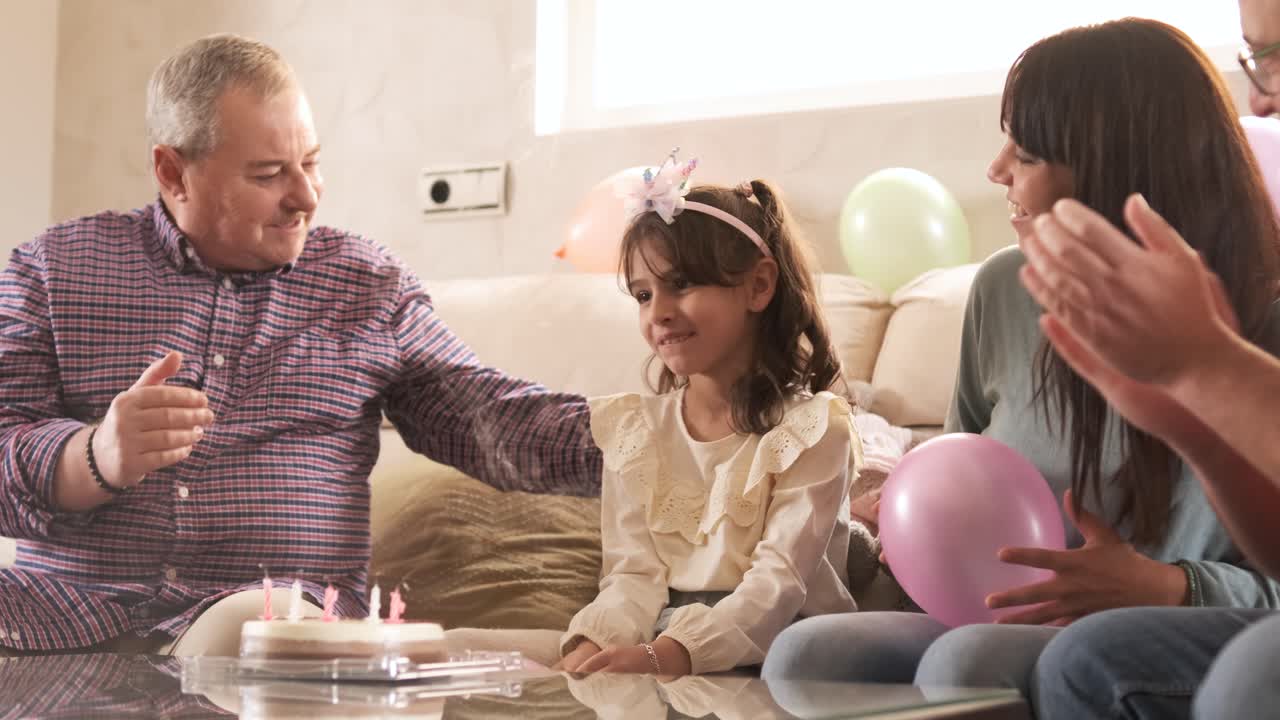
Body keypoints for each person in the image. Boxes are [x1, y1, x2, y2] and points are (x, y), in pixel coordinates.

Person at [0, 34, 599, 657]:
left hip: (266, 626)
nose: (306, 197)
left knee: (245, 631)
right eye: (269, 174)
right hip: (57, 616)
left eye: (310, 163)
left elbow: (490, 421)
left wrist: (665, 432)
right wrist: (94, 454)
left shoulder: (368, 288)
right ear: (173, 172)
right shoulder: (52, 271)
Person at [761, 17, 1280, 702]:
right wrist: (898, 513)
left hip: (1172, 621)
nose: (995, 169)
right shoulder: (1004, 290)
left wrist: (1168, 585)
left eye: (1027, 153)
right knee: (807, 652)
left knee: (968, 664)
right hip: (995, 610)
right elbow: (956, 464)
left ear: (1115, 168)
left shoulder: (1255, 319)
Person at [446, 157, 860, 675]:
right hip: (662, 640)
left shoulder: (814, 430)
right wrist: (593, 646)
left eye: (681, 283)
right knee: (451, 647)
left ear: (759, 286)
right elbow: (632, 576)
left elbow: (776, 588)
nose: (658, 312)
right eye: (643, 294)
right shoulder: (635, 432)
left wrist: (663, 655)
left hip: (780, 651)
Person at [1011, 3, 1280, 716]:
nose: (1260, 98)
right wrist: (1195, 425)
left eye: (1276, 55)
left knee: (1102, 657)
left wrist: (1206, 368)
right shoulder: (1001, 297)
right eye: (1257, 57)